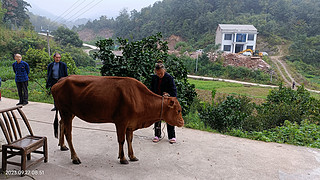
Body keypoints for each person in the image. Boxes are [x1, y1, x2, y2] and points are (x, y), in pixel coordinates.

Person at [150, 60, 177, 144]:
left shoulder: (169, 78)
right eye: (158, 73)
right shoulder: (154, 78)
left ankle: (172, 136)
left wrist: (168, 94)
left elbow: (174, 91)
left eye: (161, 73)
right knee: (157, 117)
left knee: (169, 117)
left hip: (167, 101)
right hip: (157, 100)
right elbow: (151, 89)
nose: (160, 75)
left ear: (164, 70)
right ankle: (157, 135)